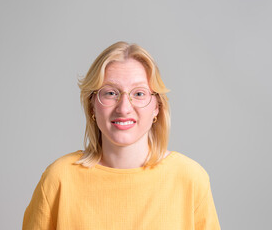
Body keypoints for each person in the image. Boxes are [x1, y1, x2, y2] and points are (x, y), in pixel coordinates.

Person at [23, 41, 221, 230]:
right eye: (110, 93)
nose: (124, 108)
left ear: (157, 107)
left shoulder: (190, 179)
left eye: (139, 93)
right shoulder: (59, 179)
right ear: (92, 104)